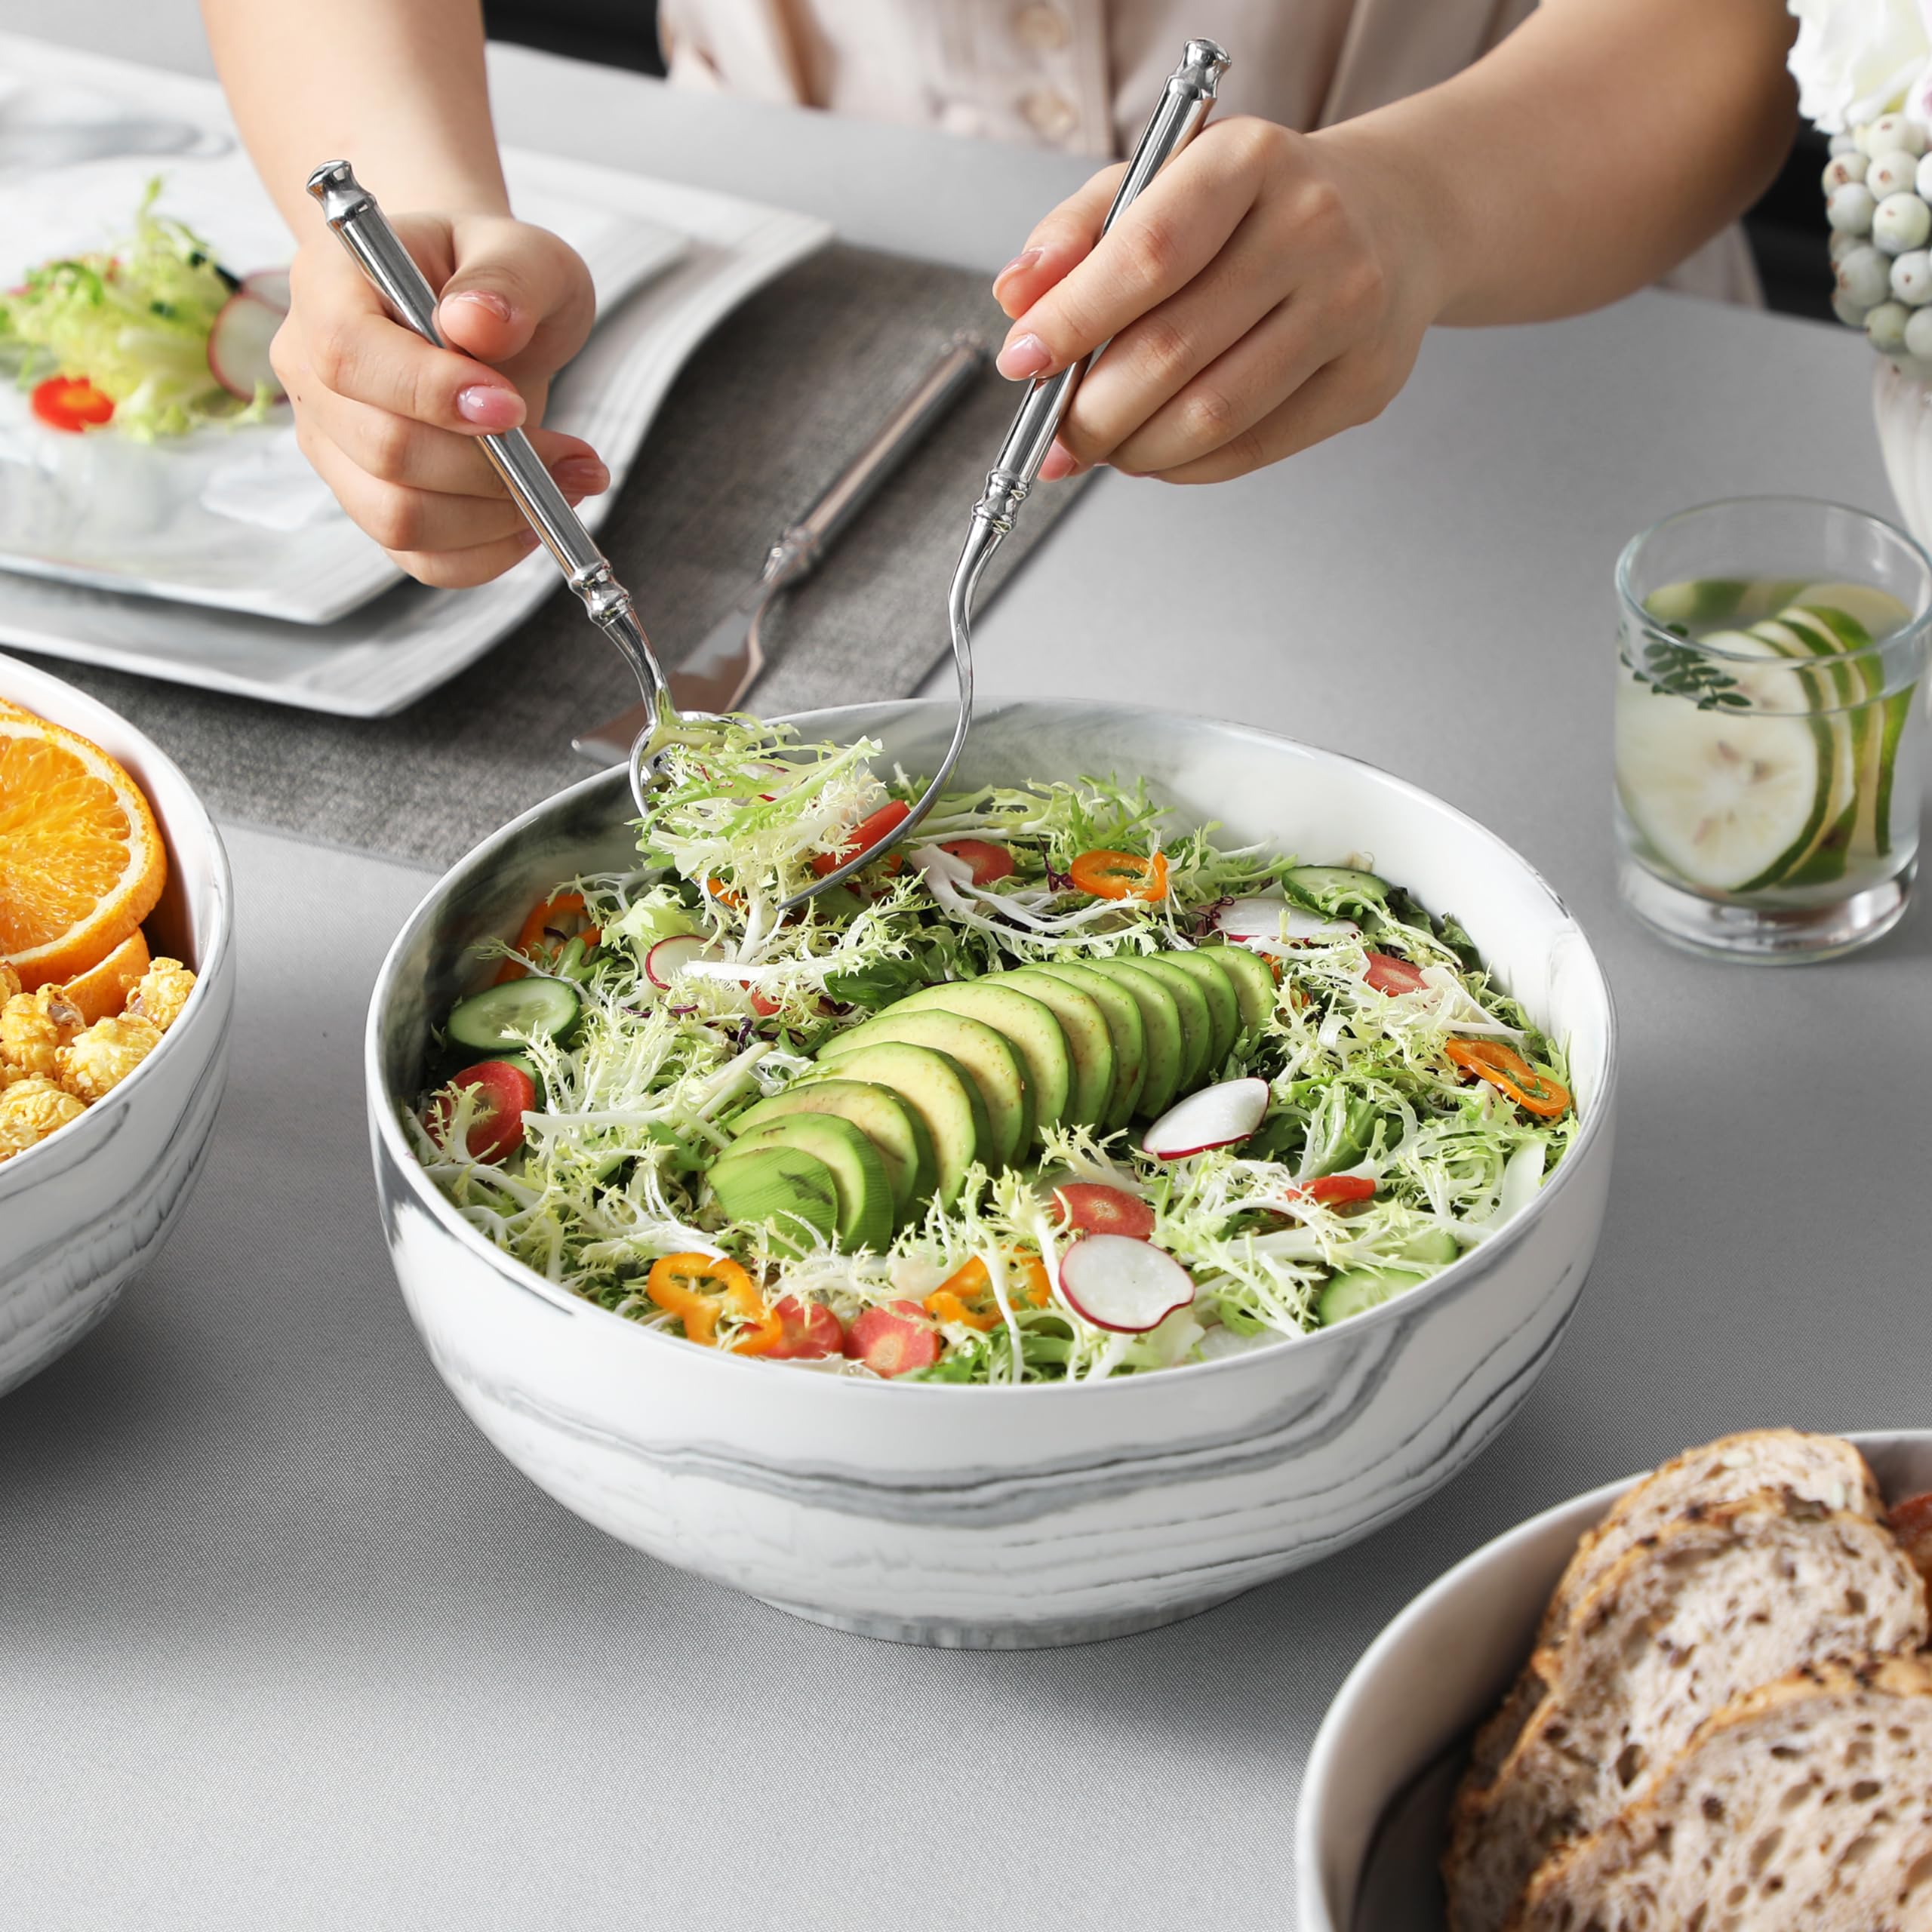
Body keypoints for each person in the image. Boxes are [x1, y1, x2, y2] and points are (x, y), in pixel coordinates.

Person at [198, 0, 1797, 589]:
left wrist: (1423, 205)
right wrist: (416, 215)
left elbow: (1730, 28)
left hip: (1560, 352)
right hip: (782, 317)